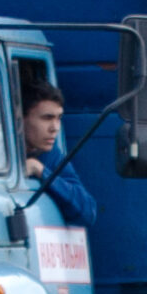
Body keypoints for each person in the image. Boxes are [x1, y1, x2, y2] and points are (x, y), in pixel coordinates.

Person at [19, 81, 94, 224]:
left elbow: (88, 212)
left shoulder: (50, 155)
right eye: (47, 118)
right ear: (20, 119)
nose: (55, 128)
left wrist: (40, 170)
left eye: (58, 118)